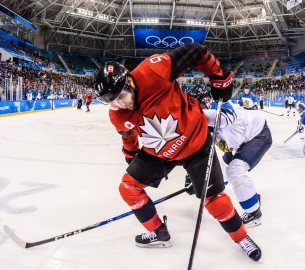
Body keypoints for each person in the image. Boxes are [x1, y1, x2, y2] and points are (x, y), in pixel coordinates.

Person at [92, 43, 261, 261]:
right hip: (160, 151)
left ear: (130, 81)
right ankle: (158, 232)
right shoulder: (117, 113)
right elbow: (128, 136)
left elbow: (195, 51)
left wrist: (218, 77)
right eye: (111, 102)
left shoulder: (152, 71)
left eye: (121, 96)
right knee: (128, 189)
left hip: (196, 142)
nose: (119, 104)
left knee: (215, 200)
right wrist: (131, 155)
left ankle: (241, 238)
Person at [187, 85, 272, 227]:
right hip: (240, 139)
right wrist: (197, 178)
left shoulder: (220, 111)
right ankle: (246, 196)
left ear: (207, 101)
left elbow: (226, 142)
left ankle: (253, 212)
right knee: (223, 169)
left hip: (258, 134)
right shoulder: (205, 115)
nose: (193, 110)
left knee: (235, 171)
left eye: (197, 105)